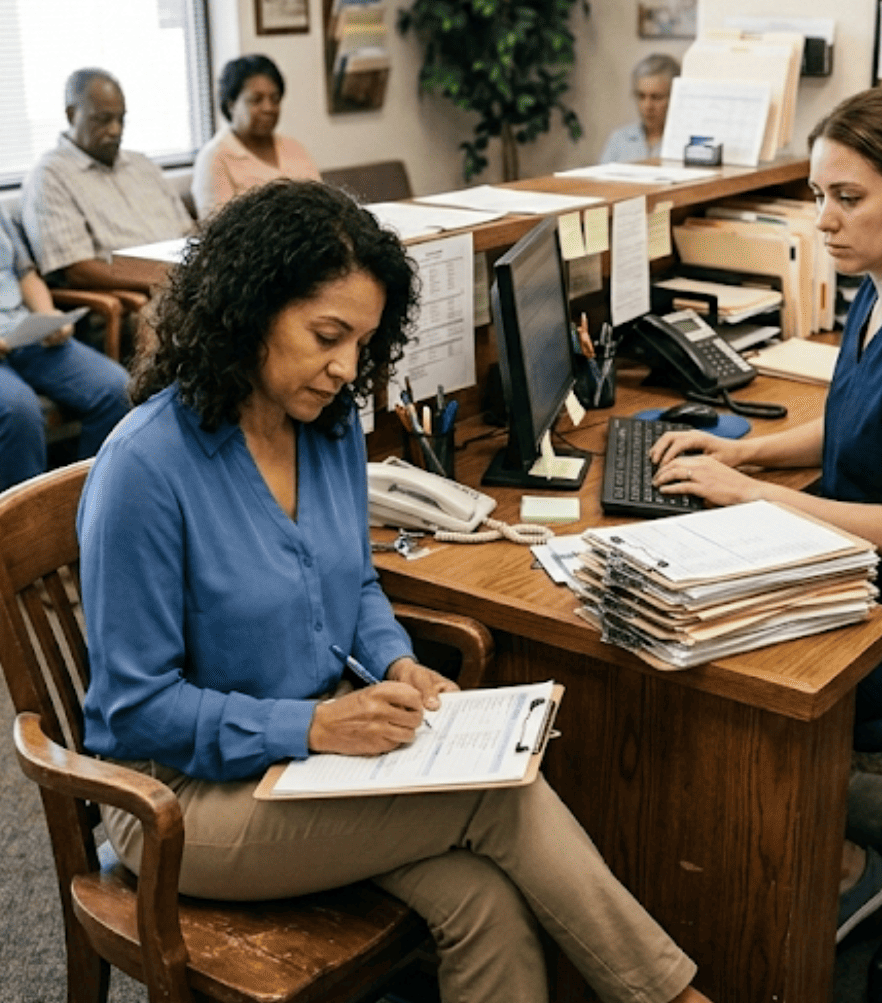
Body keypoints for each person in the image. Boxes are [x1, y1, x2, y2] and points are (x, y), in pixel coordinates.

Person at [77, 180, 709, 1003]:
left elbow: (357, 583)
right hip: (180, 800)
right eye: (326, 335)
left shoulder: (330, 424)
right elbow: (133, 711)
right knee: (500, 802)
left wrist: (396, 662)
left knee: (486, 903)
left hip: (310, 756)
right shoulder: (145, 468)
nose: (346, 368)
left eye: (362, 343)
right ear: (249, 310)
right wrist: (309, 724)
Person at [645, 87, 882, 935]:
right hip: (870, 579)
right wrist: (745, 452)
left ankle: (845, 871)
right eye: (820, 195)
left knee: (729, 672)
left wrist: (750, 495)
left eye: (847, 198)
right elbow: (853, 423)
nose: (825, 219)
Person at [22, 67, 192, 295]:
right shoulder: (50, 176)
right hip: (130, 298)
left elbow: (188, 232)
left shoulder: (142, 165)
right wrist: (161, 276)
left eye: (121, 119)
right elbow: (78, 270)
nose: (115, 130)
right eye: (102, 120)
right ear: (72, 115)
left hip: (184, 281)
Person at [0, 223, 128, 491]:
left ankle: (89, 503)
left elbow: (25, 274)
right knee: (18, 411)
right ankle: (23, 526)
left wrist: (49, 316)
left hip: (22, 331)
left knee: (115, 388)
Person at [192, 54, 321, 215]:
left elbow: (324, 207)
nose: (268, 108)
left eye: (275, 99)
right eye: (256, 100)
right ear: (231, 104)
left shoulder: (294, 148)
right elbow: (218, 230)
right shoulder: (216, 158)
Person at [599, 53, 681, 163]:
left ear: (674, 97)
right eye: (641, 96)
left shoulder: (682, 142)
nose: (647, 106)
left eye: (656, 97)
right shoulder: (619, 139)